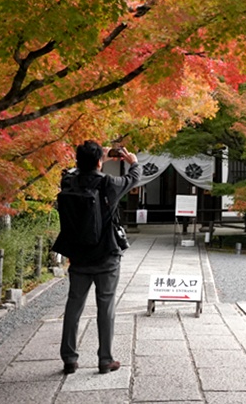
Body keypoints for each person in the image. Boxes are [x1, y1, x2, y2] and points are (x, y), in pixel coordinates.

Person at [58, 140, 140, 375]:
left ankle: (69, 359)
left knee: (74, 306)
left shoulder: (69, 181)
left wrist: (96, 158)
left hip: (78, 257)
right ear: (98, 162)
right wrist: (133, 163)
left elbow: (73, 171)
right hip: (106, 256)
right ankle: (105, 360)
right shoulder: (108, 183)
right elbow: (133, 178)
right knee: (106, 307)